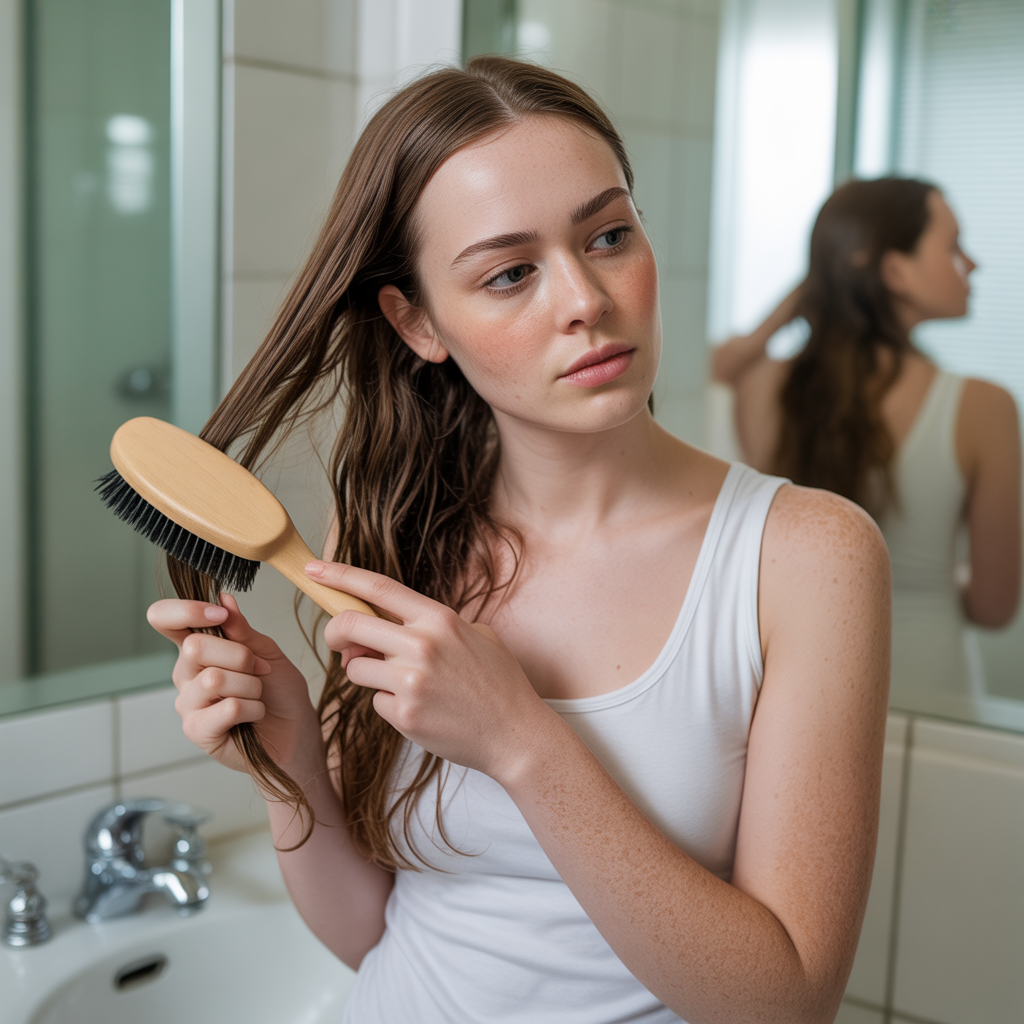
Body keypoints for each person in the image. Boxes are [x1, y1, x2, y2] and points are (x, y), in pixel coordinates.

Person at [148, 58, 889, 1024]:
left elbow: (784, 1004)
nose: (585, 298)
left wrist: (523, 742)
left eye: (609, 234)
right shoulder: (387, 534)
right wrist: (288, 758)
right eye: (510, 273)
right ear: (417, 323)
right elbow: (375, 933)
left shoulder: (805, 557)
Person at [713, 177, 1020, 713]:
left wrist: (811, 292)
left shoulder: (766, 387)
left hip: (800, 690)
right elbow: (995, 606)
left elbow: (719, 368)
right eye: (952, 246)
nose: (971, 263)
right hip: (932, 691)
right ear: (894, 271)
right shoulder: (983, 408)